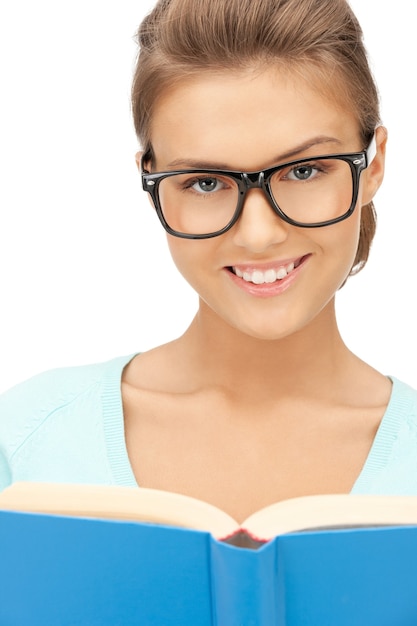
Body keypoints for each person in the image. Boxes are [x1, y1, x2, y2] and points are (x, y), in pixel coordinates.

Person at [1, 0, 416, 523]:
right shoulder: (25, 440)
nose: (259, 234)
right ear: (151, 184)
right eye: (205, 182)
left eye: (305, 171)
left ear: (373, 165)